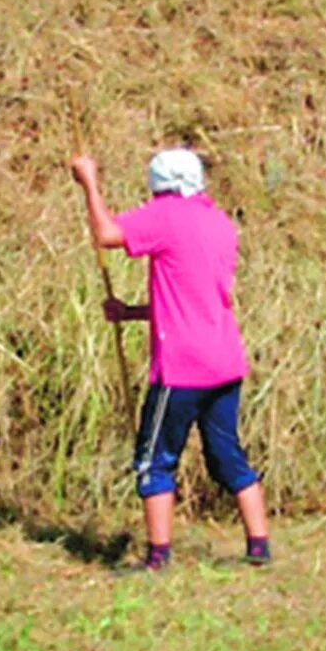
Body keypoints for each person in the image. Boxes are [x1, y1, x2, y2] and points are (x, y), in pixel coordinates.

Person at [69, 147, 271, 571]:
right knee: (227, 453)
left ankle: (157, 557)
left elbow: (107, 234)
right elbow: (194, 297)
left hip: (182, 368)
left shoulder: (166, 216)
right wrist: (132, 313)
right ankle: (258, 545)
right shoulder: (219, 222)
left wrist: (89, 182)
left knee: (154, 458)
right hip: (225, 360)